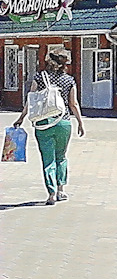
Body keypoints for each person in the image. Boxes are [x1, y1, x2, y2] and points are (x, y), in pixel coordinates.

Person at [12, 48, 85, 205]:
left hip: (43, 123)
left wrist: (21, 118)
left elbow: (31, 101)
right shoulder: (69, 80)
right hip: (63, 122)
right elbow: (73, 103)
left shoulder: (39, 77)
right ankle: (61, 190)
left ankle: (51, 194)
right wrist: (80, 122)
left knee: (48, 158)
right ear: (64, 63)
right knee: (61, 156)